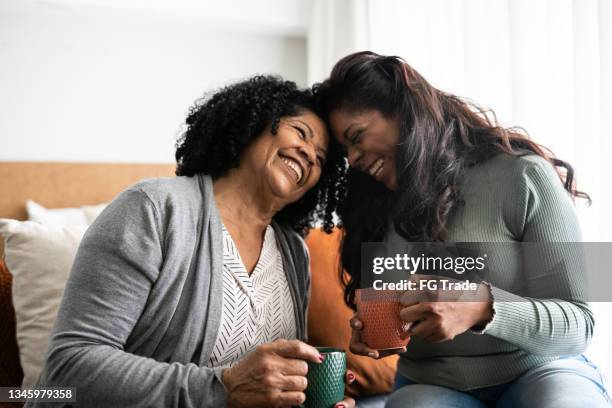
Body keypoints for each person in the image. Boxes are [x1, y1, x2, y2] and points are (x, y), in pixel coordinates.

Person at [29, 76, 355, 408]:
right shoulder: (153, 208)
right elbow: (68, 368)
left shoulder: (292, 252)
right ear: (252, 123)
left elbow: (274, 382)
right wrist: (221, 388)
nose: (309, 155)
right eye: (301, 132)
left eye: (320, 158)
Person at [315, 51, 611, 407]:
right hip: (431, 384)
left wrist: (481, 305)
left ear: (403, 109)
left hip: (541, 371)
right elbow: (389, 317)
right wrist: (373, 334)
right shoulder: (372, 209)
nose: (354, 160)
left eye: (357, 136)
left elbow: (580, 323)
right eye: (344, 152)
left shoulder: (523, 175)